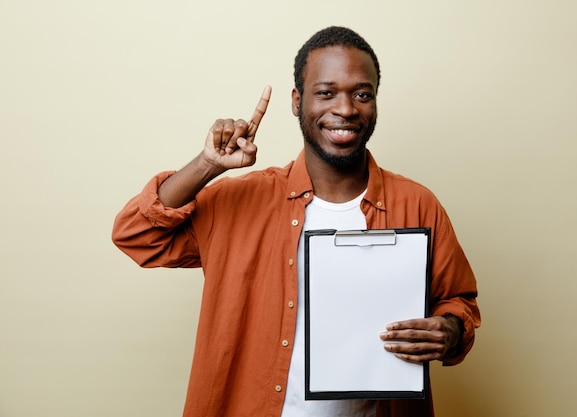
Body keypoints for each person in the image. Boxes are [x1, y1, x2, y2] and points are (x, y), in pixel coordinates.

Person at [112, 26, 480, 417]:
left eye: (362, 94)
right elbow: (136, 234)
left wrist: (450, 332)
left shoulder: (417, 203)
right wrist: (207, 165)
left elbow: (458, 304)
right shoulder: (241, 201)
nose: (346, 109)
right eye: (326, 92)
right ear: (296, 101)